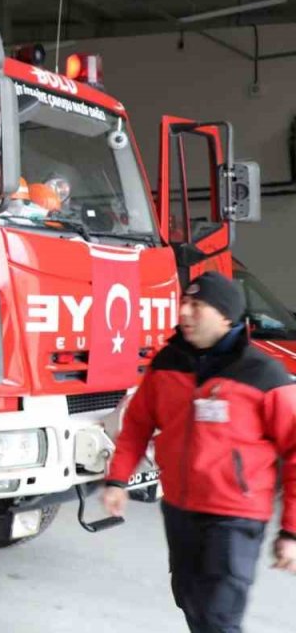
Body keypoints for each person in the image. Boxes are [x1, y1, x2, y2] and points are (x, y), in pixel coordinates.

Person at [103, 271, 296, 633]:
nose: (185, 313)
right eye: (184, 303)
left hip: (234, 517)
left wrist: (291, 532)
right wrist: (117, 479)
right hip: (179, 510)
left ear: (225, 316)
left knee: (218, 617)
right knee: (191, 603)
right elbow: (138, 425)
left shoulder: (263, 373)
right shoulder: (168, 364)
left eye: (197, 305)